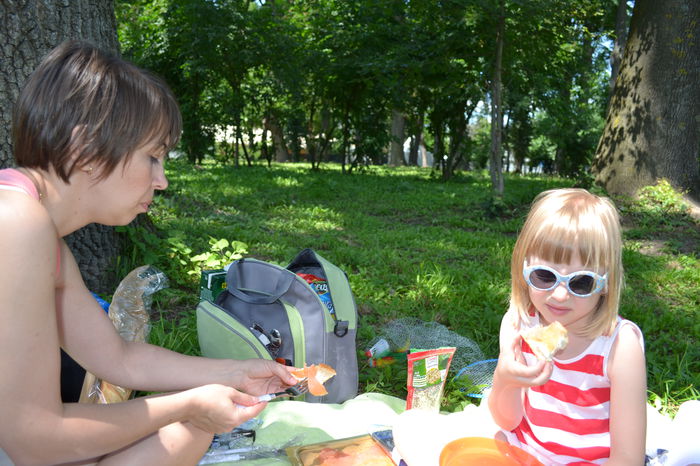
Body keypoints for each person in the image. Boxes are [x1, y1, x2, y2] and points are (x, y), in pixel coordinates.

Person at [0, 40, 298, 465]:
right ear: (86, 150)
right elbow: (35, 440)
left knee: (190, 432)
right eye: (153, 157)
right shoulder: (15, 222)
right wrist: (187, 404)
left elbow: (119, 359)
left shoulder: (40, 233)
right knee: (189, 424)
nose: (161, 181)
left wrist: (236, 373)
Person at [488, 188, 647, 465]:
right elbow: (508, 421)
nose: (560, 295)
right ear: (523, 269)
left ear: (606, 283)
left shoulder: (620, 346)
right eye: (544, 276)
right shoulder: (519, 324)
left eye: (581, 282)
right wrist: (505, 379)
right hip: (525, 453)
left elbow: (627, 458)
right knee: (413, 429)